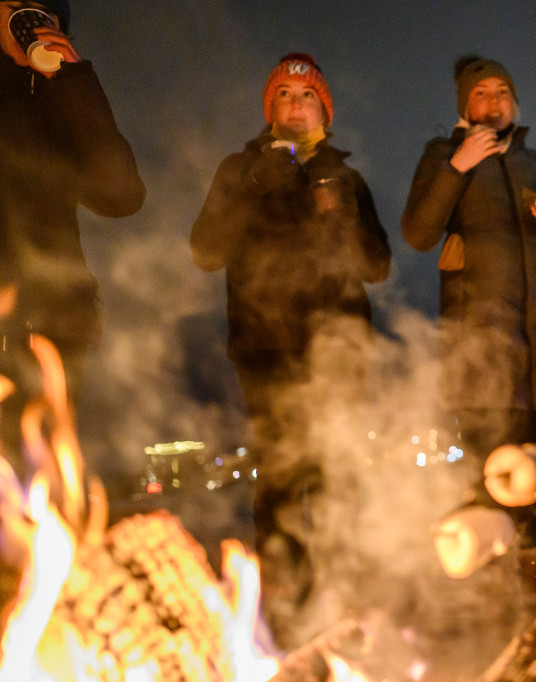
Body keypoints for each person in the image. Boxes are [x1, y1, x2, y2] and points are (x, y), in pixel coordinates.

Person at [190, 53, 391, 643]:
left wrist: (341, 218)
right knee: (279, 484)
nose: (295, 103)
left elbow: (376, 266)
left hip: (342, 351)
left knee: (340, 481)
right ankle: (283, 614)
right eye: (284, 94)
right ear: (270, 109)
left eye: (307, 95)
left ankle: (345, 608)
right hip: (266, 350)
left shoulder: (344, 176)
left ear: (323, 109)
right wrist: (254, 186)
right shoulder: (239, 169)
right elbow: (205, 250)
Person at [402, 55, 536, 596]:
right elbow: (417, 233)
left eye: (502, 92)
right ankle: (488, 574)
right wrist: (458, 165)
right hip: (482, 345)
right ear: (465, 106)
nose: (493, 102)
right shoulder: (442, 155)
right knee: (492, 469)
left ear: (515, 104)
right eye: (481, 94)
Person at [0, 0, 145, 468]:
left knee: (45, 480)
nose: (29, 20)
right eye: (15, 8)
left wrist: (75, 82)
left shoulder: (62, 101)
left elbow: (121, 195)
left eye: (43, 13)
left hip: (57, 322)